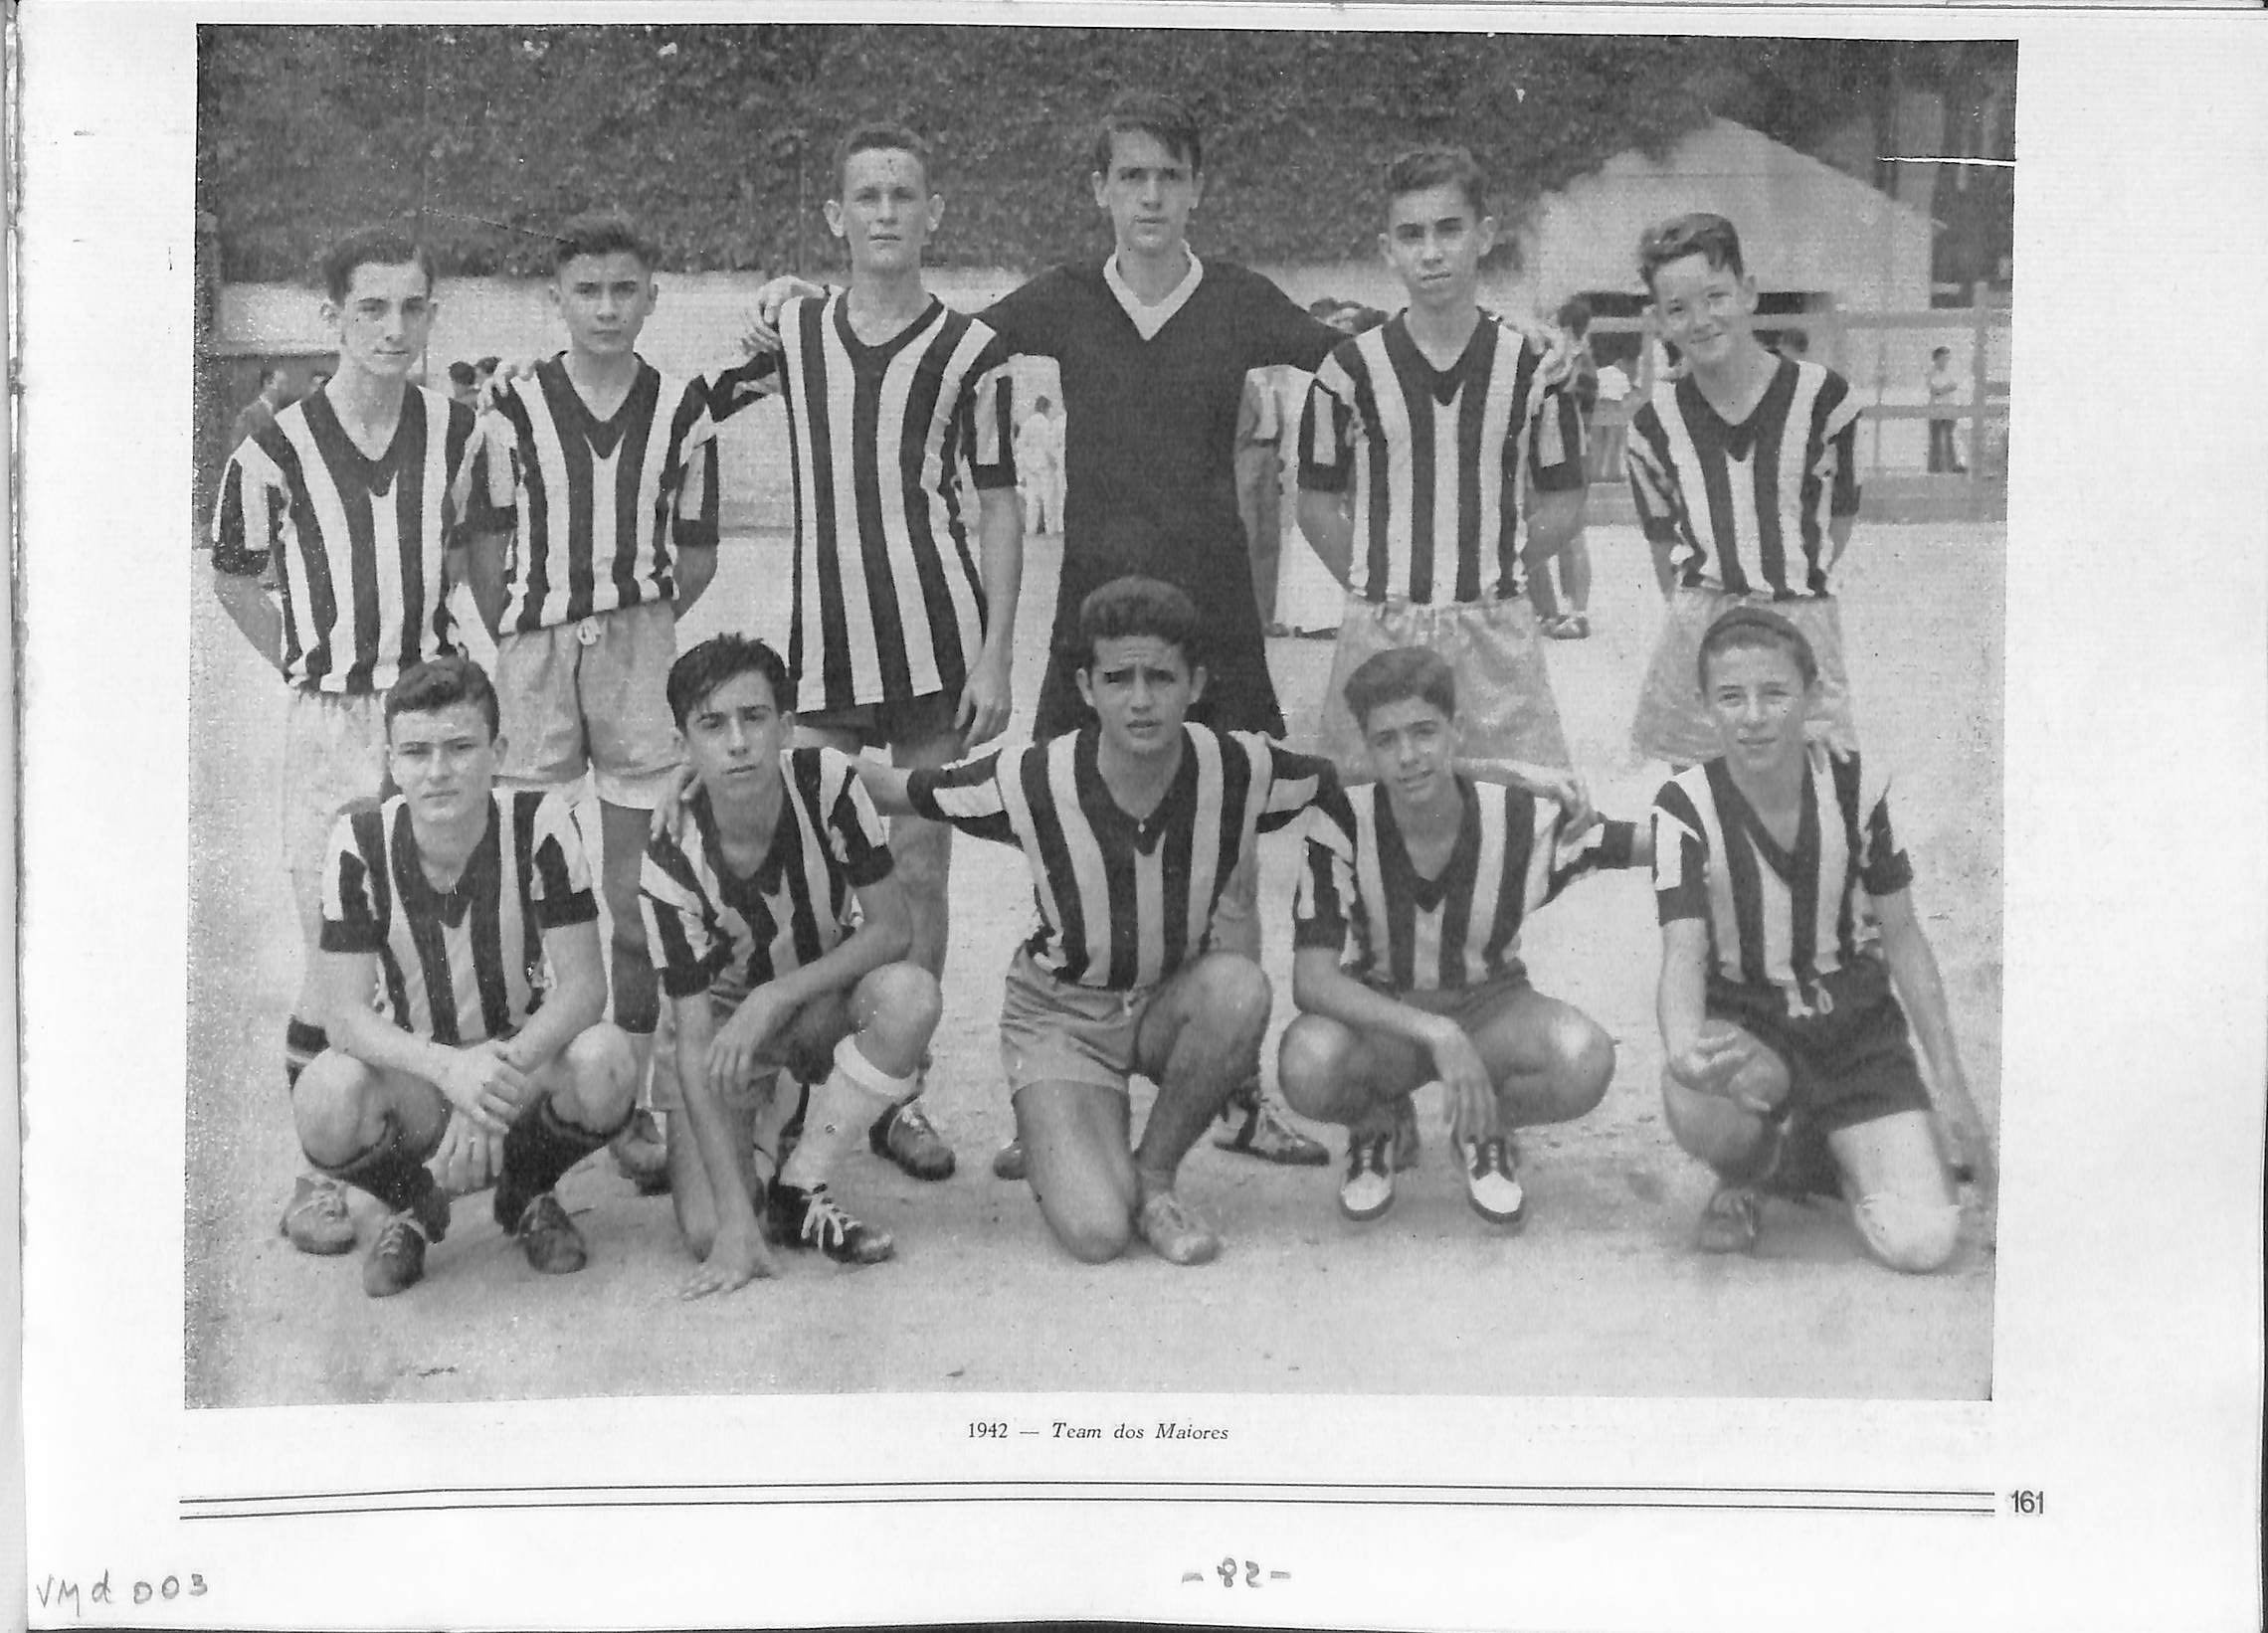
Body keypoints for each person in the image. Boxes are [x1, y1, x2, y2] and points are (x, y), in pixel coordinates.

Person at [751, 93, 1340, 1170]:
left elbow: (1358, 362)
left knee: (1228, 867)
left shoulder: (1241, 299)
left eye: (1169, 177)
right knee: (1072, 861)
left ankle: (1240, 1096)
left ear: (1197, 189)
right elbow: (926, 332)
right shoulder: (1060, 301)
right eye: (1131, 177)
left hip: (1217, 623)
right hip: (1091, 623)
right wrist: (794, 300)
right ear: (1099, 191)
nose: (1150, 197)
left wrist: (1487, 346)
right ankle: (1061, 1093)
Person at [857, 578, 1351, 1265]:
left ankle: (1155, 1177)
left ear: (1195, 683)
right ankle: (1075, 1128)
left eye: (1161, 678)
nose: (1140, 700)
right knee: (1097, 1233)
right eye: (1119, 679)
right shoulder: (1036, 778)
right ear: (1086, 687)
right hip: (1061, 1018)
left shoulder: (1237, 767)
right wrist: (765, 768)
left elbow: (1340, 782)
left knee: (1239, 990)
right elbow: (899, 788)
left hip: (1166, 1001)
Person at [708, 124, 1027, 1184]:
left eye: (904, 195)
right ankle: (790, 1085)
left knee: (921, 868)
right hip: (822, 655)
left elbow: (999, 503)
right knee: (805, 869)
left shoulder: (973, 350)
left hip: (937, 646)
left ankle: (901, 1091)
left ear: (934, 214)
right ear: (836, 217)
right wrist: (760, 302)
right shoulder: (795, 331)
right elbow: (695, 408)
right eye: (867, 197)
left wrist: (996, 655)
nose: (886, 212)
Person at [208, 224, 481, 1258]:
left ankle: (448, 1139)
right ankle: (317, 1174)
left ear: (431, 314)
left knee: (444, 932)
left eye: (412, 307)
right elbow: (234, 576)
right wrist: (304, 660)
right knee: (335, 954)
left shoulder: (462, 434)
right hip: (329, 722)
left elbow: (476, 555)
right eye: (371, 307)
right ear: (332, 317)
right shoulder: (271, 451)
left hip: (428, 718)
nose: (393, 328)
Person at [465, 210, 724, 1193]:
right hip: (534, 653)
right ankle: (522, 1087)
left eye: (624, 290)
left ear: (653, 295)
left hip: (639, 648)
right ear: (557, 298)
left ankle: (638, 1098)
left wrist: (636, 624)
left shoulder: (683, 411)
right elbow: (484, 543)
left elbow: (695, 554)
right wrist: (521, 626)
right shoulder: (510, 407)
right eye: (588, 291)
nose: (607, 308)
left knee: (636, 891)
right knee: (525, 878)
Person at [1650, 608, 1995, 1268]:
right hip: (1752, 1024)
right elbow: (1683, 952)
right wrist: (1683, 1047)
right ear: (1705, 705)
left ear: (1810, 697)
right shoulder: (1684, 805)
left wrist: (1952, 1085)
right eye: (1732, 696)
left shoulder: (1854, 785)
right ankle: (1754, 1169)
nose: (1754, 716)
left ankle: (1823, 1150)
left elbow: (1902, 934)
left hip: (1854, 1033)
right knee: (1694, 1091)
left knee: (1922, 1242)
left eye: (1775, 693)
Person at [295, 656, 639, 1297]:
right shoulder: (358, 840)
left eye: (459, 747)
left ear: (497, 751)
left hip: (519, 1061)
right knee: (323, 1097)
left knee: (608, 1062)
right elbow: (343, 1017)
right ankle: (413, 1204)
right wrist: (451, 1072)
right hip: (418, 1075)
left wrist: (487, 1085)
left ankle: (527, 1190)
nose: (438, 771)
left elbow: (585, 988)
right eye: (416, 752)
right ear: (392, 761)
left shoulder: (540, 820)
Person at [1278, 647, 1643, 1224]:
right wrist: (1436, 1032)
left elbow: (1641, 843)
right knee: (1306, 1062)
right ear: (1367, 747)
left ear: (1458, 731)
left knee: (1584, 1058)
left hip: (1491, 1007)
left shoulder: (1517, 816)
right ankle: (1377, 1123)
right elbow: (1312, 980)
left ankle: (1483, 1125)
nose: (1408, 756)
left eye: (1424, 732)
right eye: (1386, 740)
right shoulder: (1344, 820)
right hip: (1387, 1016)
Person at [641, 635, 941, 1295]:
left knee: (909, 996)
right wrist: (733, 1225)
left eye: (754, 718)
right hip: (724, 1030)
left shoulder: (826, 783)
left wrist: (775, 996)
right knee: (709, 1229)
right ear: (682, 745)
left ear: (785, 726)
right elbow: (692, 1040)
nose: (738, 743)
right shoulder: (670, 854)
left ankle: (803, 1175)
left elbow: (892, 928)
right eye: (712, 725)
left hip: (811, 999)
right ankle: (774, 1123)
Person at [1296, 146, 1589, 788]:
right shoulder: (1346, 371)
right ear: (1387, 250)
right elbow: (1314, 506)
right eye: (1412, 235)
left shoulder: (1534, 367)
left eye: (1449, 230)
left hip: (1495, 628)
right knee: (1370, 815)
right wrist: (1380, 577)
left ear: (1484, 236)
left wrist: (1494, 564)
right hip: (1383, 629)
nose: (1431, 252)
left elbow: (1565, 504)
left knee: (1517, 812)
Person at [1623, 212, 1865, 769]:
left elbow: (1836, 525)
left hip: (1799, 620)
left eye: (1715, 297)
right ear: (1658, 321)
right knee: (1700, 788)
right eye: (1678, 309)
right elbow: (1665, 553)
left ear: (1748, 292)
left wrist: (1778, 583)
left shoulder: (1825, 400)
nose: (1701, 320)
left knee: (1815, 783)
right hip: (1701, 627)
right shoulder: (1652, 426)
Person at [1533, 296, 1600, 640]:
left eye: (1554, 321)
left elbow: (1582, 400)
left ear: (1566, 325)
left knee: (1571, 533)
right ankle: (1555, 611)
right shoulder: (1559, 357)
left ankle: (1578, 612)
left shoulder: (1574, 358)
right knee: (1552, 530)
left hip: (1567, 449)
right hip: (1548, 450)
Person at [1234, 366, 1286, 634]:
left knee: (1269, 539)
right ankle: (1246, 616)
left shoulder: (1273, 385)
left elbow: (1278, 426)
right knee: (1249, 537)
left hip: (1269, 455)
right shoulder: (1246, 381)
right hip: (1247, 455)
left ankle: (1266, 617)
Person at [1015, 393, 1065, 536]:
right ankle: (1050, 530)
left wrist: (1025, 463)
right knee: (1049, 499)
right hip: (1045, 466)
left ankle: (1030, 530)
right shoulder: (1045, 423)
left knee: (1032, 501)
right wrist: (1055, 462)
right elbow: (1049, 446)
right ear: (1046, 408)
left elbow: (1020, 446)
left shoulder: (1027, 424)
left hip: (1030, 467)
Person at [1926, 345, 1968, 473]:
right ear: (1937, 359)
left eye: (1947, 359)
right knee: (1936, 439)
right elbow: (1935, 390)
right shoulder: (1931, 373)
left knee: (1950, 438)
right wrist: (1946, 389)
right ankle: (1935, 467)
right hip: (1936, 410)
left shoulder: (1950, 373)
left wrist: (1943, 390)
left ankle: (1951, 465)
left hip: (1949, 409)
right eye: (1943, 358)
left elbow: (1954, 386)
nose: (1945, 361)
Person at [229, 366, 288, 451]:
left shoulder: (283, 414)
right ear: (267, 383)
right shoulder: (248, 415)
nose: (285, 389)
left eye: (286, 384)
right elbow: (239, 448)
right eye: (281, 383)